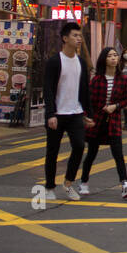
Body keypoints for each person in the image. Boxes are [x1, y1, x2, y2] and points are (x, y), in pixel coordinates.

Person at [41, 20, 95, 202]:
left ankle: (68, 183)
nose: (78, 39)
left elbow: (85, 90)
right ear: (65, 38)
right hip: (58, 114)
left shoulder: (80, 62)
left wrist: (88, 114)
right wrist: (50, 114)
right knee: (52, 152)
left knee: (79, 146)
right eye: (75, 35)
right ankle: (49, 186)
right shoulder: (55, 61)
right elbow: (48, 89)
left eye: (80, 36)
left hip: (75, 113)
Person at [82, 47, 127, 200]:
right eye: (110, 56)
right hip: (98, 120)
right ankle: (84, 182)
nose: (114, 58)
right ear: (104, 60)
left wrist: (116, 106)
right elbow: (89, 100)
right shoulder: (97, 80)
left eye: (115, 55)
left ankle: (125, 184)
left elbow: (126, 99)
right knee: (92, 153)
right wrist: (88, 117)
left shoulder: (122, 79)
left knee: (118, 153)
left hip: (113, 121)